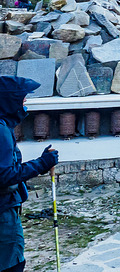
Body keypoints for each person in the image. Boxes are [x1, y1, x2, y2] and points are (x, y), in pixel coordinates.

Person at [0, 77, 58, 271]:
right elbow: (5, 175)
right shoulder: (0, 130)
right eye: (22, 98)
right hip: (3, 212)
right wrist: (42, 164)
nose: (25, 102)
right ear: (10, 100)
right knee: (12, 265)